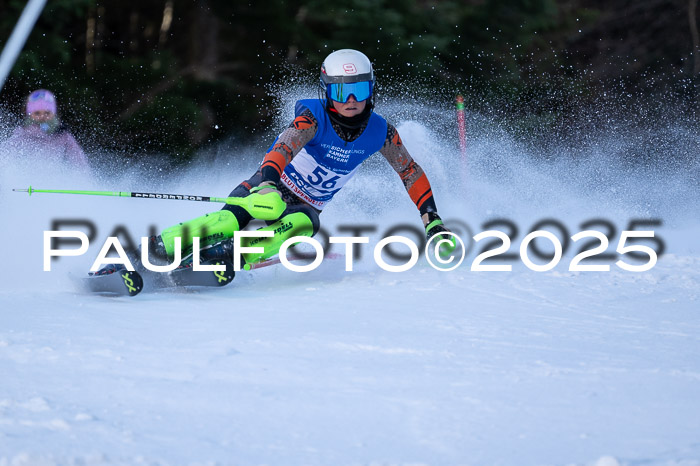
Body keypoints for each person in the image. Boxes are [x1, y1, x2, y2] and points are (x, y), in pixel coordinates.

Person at [99, 49, 453, 275]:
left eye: (358, 91)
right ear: (326, 91)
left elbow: (410, 171)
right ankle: (150, 250)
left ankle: (230, 257)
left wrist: (432, 221)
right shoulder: (312, 118)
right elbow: (284, 148)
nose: (350, 101)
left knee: (304, 222)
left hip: (304, 206)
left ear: (370, 92)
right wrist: (268, 180)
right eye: (340, 91)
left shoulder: (380, 133)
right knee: (227, 219)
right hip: (267, 188)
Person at [1, 89, 90, 170]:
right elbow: (6, 156)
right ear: (29, 114)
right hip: (27, 177)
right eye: (37, 113)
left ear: (54, 113)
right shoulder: (22, 133)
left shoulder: (62, 134)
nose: (42, 116)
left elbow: (79, 161)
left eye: (47, 113)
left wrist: (85, 180)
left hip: (52, 179)